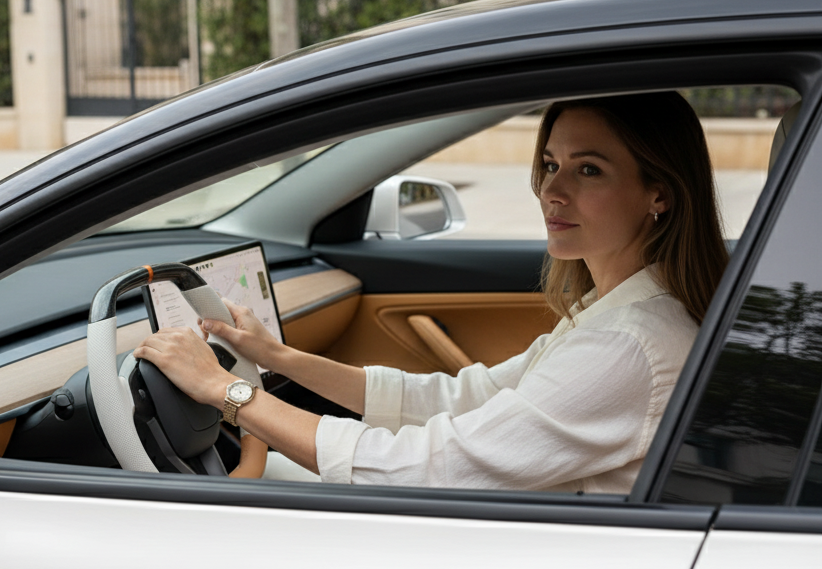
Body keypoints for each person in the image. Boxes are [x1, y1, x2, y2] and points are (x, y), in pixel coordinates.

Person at [134, 92, 729, 493]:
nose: (553, 190)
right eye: (550, 164)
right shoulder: (618, 310)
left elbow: (431, 465)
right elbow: (463, 397)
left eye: (588, 169)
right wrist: (274, 359)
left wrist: (226, 391)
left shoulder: (631, 344)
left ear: (661, 194)